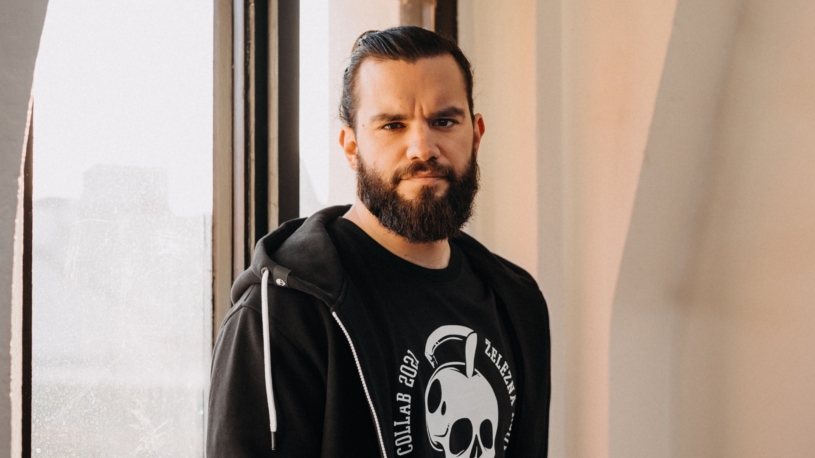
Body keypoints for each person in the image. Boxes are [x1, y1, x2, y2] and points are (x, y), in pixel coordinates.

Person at [207, 26, 550, 457]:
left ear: (476, 134)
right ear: (351, 147)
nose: (422, 148)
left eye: (444, 121)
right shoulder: (281, 315)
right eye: (392, 125)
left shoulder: (517, 302)